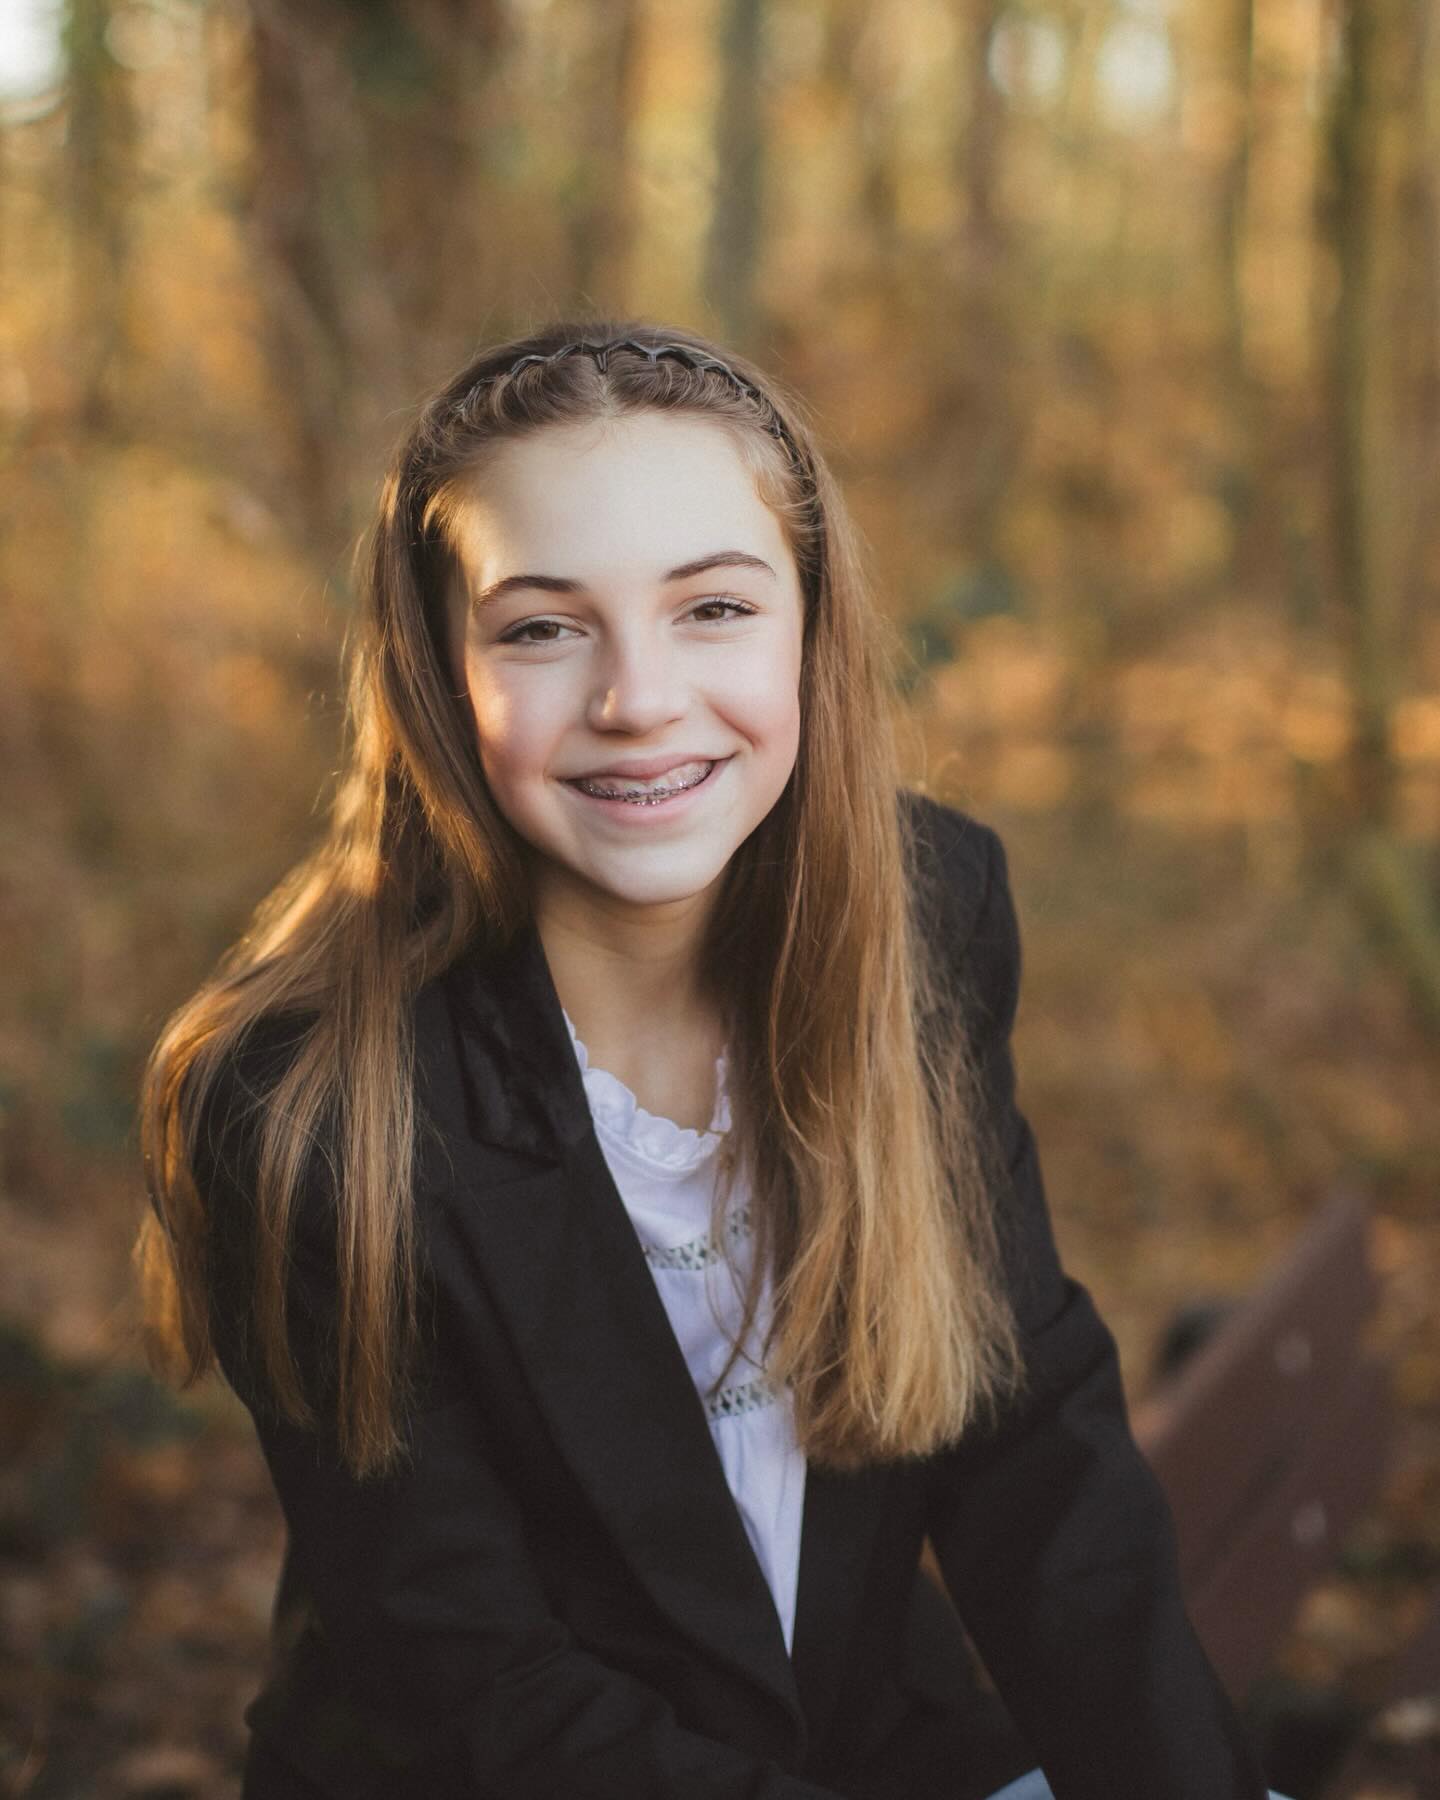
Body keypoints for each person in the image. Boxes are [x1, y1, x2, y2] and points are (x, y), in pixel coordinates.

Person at [136, 322, 1286, 1800]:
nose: (638, 697)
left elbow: (1028, 1445)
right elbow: (485, 1686)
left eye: (715, 609)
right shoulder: (305, 1106)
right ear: (440, 672)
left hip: (869, 1748)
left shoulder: (922, 924)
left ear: (812, 627)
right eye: (542, 628)